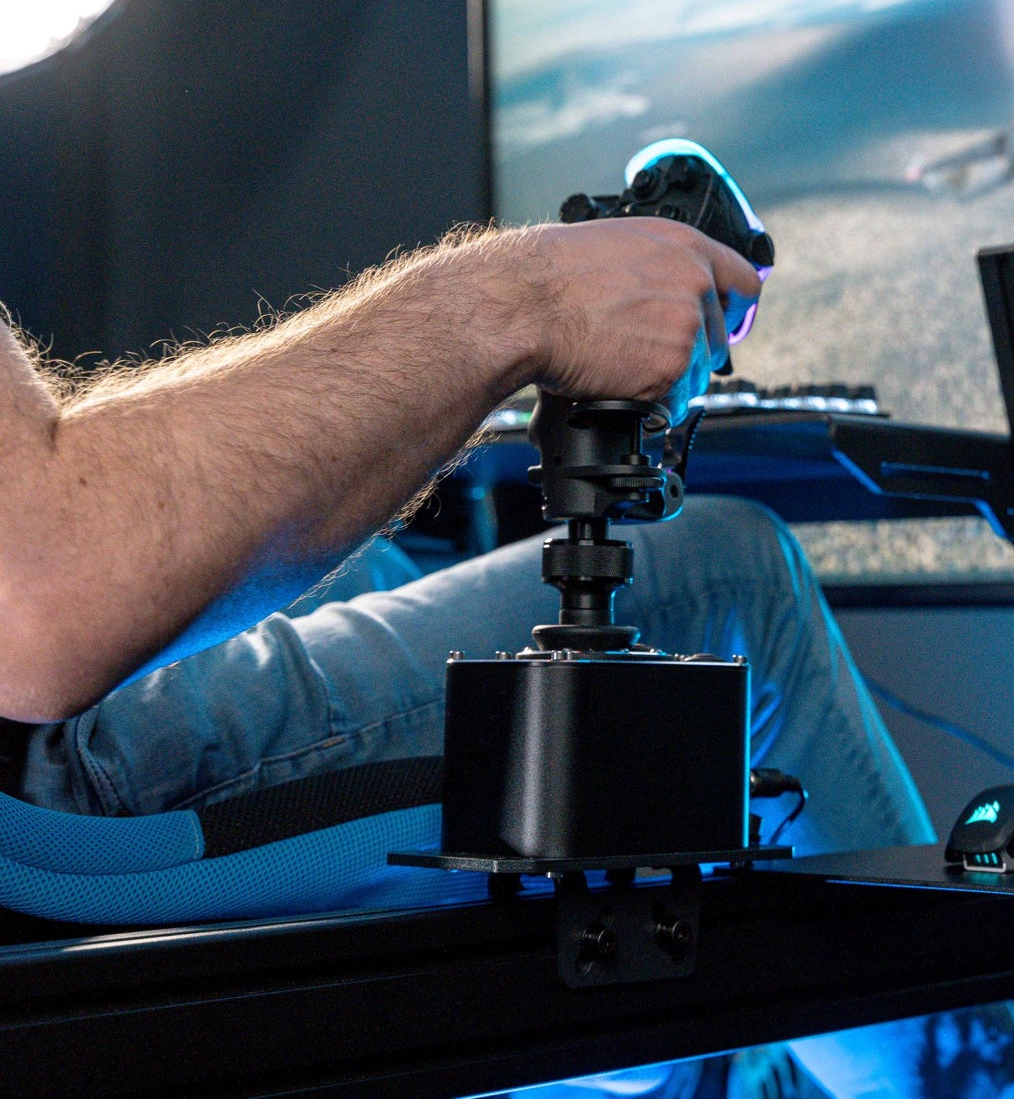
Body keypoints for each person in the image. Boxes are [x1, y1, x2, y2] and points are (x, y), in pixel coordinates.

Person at [0, 217, 927, 849]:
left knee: (383, 568)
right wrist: (529, 293)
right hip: (63, 780)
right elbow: (38, 594)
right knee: (734, 576)